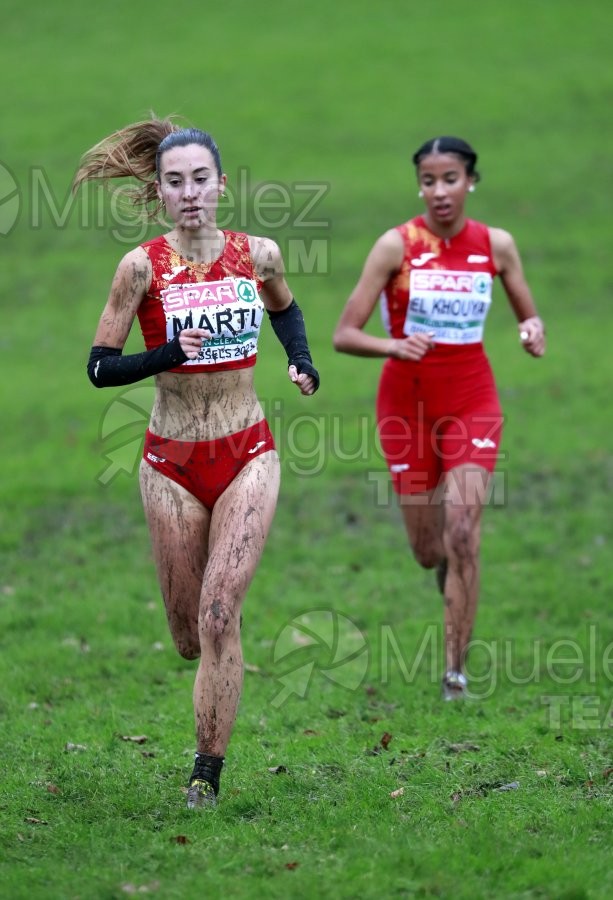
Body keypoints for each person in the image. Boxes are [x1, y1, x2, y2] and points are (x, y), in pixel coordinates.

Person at [73, 117, 319, 807]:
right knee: (187, 636)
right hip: (170, 462)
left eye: (199, 180)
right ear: (159, 188)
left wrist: (301, 361)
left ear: (221, 184)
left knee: (219, 616)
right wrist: (166, 356)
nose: (189, 193)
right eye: (174, 182)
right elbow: (98, 368)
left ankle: (204, 775)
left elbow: (286, 310)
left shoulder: (258, 254)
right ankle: (203, 674)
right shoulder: (140, 266)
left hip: (247, 451)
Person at [333, 136, 545, 701]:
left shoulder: (495, 246)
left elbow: (528, 311)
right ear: (420, 186)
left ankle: (455, 671)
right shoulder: (395, 246)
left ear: (471, 181)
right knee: (430, 549)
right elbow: (344, 334)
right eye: (429, 181)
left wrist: (533, 330)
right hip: (405, 406)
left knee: (462, 532)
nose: (440, 191)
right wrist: (393, 346)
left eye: (450, 179)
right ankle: (444, 571)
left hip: (472, 400)